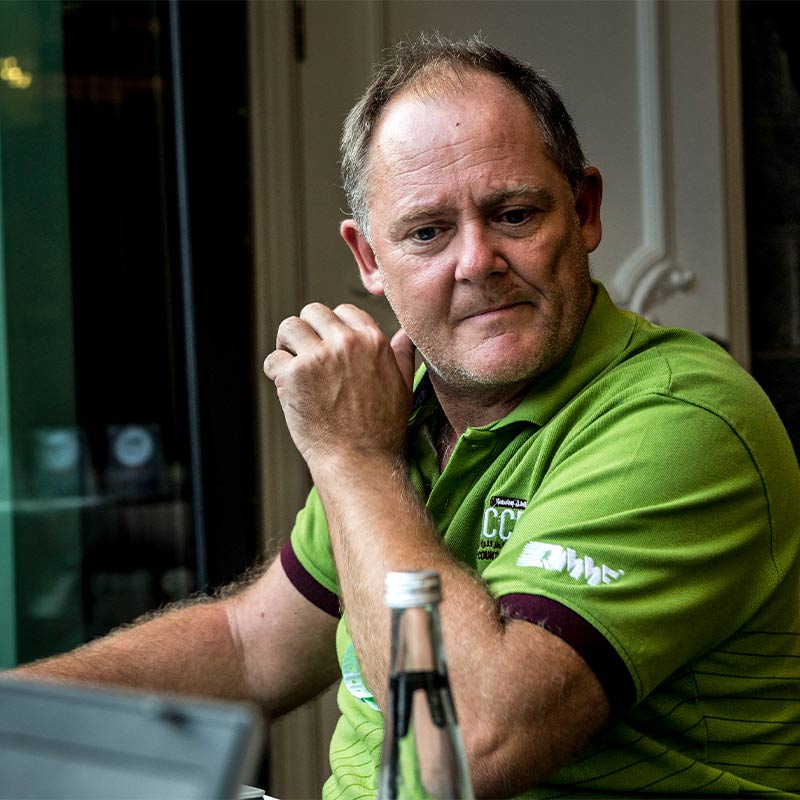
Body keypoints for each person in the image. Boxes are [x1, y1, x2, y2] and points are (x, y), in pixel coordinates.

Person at [9, 33, 800, 799]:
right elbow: (250, 647)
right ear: (369, 261)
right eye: (427, 232)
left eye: (515, 214)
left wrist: (352, 459)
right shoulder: (400, 413)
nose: (476, 263)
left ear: (584, 211)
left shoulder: (681, 418)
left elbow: (469, 745)